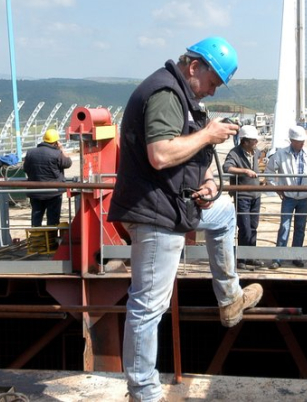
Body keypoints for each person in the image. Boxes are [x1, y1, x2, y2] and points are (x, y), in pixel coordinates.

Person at [108, 36, 263, 402]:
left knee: (224, 213)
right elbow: (160, 154)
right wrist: (210, 133)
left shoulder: (185, 98)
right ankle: (144, 392)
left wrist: (208, 183)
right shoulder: (164, 93)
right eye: (212, 83)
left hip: (178, 204)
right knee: (148, 306)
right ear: (195, 67)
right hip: (156, 213)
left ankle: (229, 299)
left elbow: (192, 155)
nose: (212, 92)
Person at [266, 125, 307, 269]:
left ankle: (297, 256)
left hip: (304, 197)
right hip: (288, 197)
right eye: (299, 140)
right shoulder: (281, 154)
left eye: (303, 140)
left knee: (300, 228)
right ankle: (278, 258)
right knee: (284, 227)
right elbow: (270, 171)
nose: (302, 143)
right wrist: (277, 189)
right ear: (292, 140)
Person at [223, 124, 264, 269]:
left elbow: (261, 156)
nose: (256, 142)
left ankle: (250, 256)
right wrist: (244, 171)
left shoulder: (256, 152)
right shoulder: (235, 153)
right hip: (242, 196)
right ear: (245, 141)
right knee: (245, 227)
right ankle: (241, 258)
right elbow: (227, 167)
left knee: (253, 227)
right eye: (253, 140)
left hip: (255, 195)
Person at [23, 129, 72, 227]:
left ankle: (36, 240)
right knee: (53, 220)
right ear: (56, 142)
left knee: (36, 219)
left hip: (35, 192)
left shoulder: (30, 153)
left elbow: (25, 169)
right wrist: (61, 149)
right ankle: (52, 240)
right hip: (53, 192)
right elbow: (68, 163)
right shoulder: (57, 154)